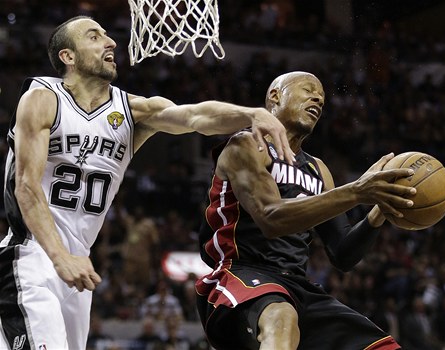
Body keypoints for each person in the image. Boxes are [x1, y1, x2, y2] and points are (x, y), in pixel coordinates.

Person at [0, 15, 294, 350]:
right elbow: (26, 186)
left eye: (108, 35)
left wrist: (251, 113)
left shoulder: (132, 111)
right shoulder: (42, 99)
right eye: (94, 37)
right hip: (31, 257)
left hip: (78, 267)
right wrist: (57, 255)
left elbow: (195, 116)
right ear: (68, 57)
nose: (110, 42)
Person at [195, 71, 418, 350]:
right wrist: (356, 191)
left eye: (322, 99)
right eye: (308, 89)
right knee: (281, 316)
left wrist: (378, 210)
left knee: (382, 347)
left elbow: (343, 254)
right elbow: (271, 217)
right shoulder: (246, 145)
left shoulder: (318, 169)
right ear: (275, 96)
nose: (318, 99)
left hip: (297, 287)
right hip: (238, 276)